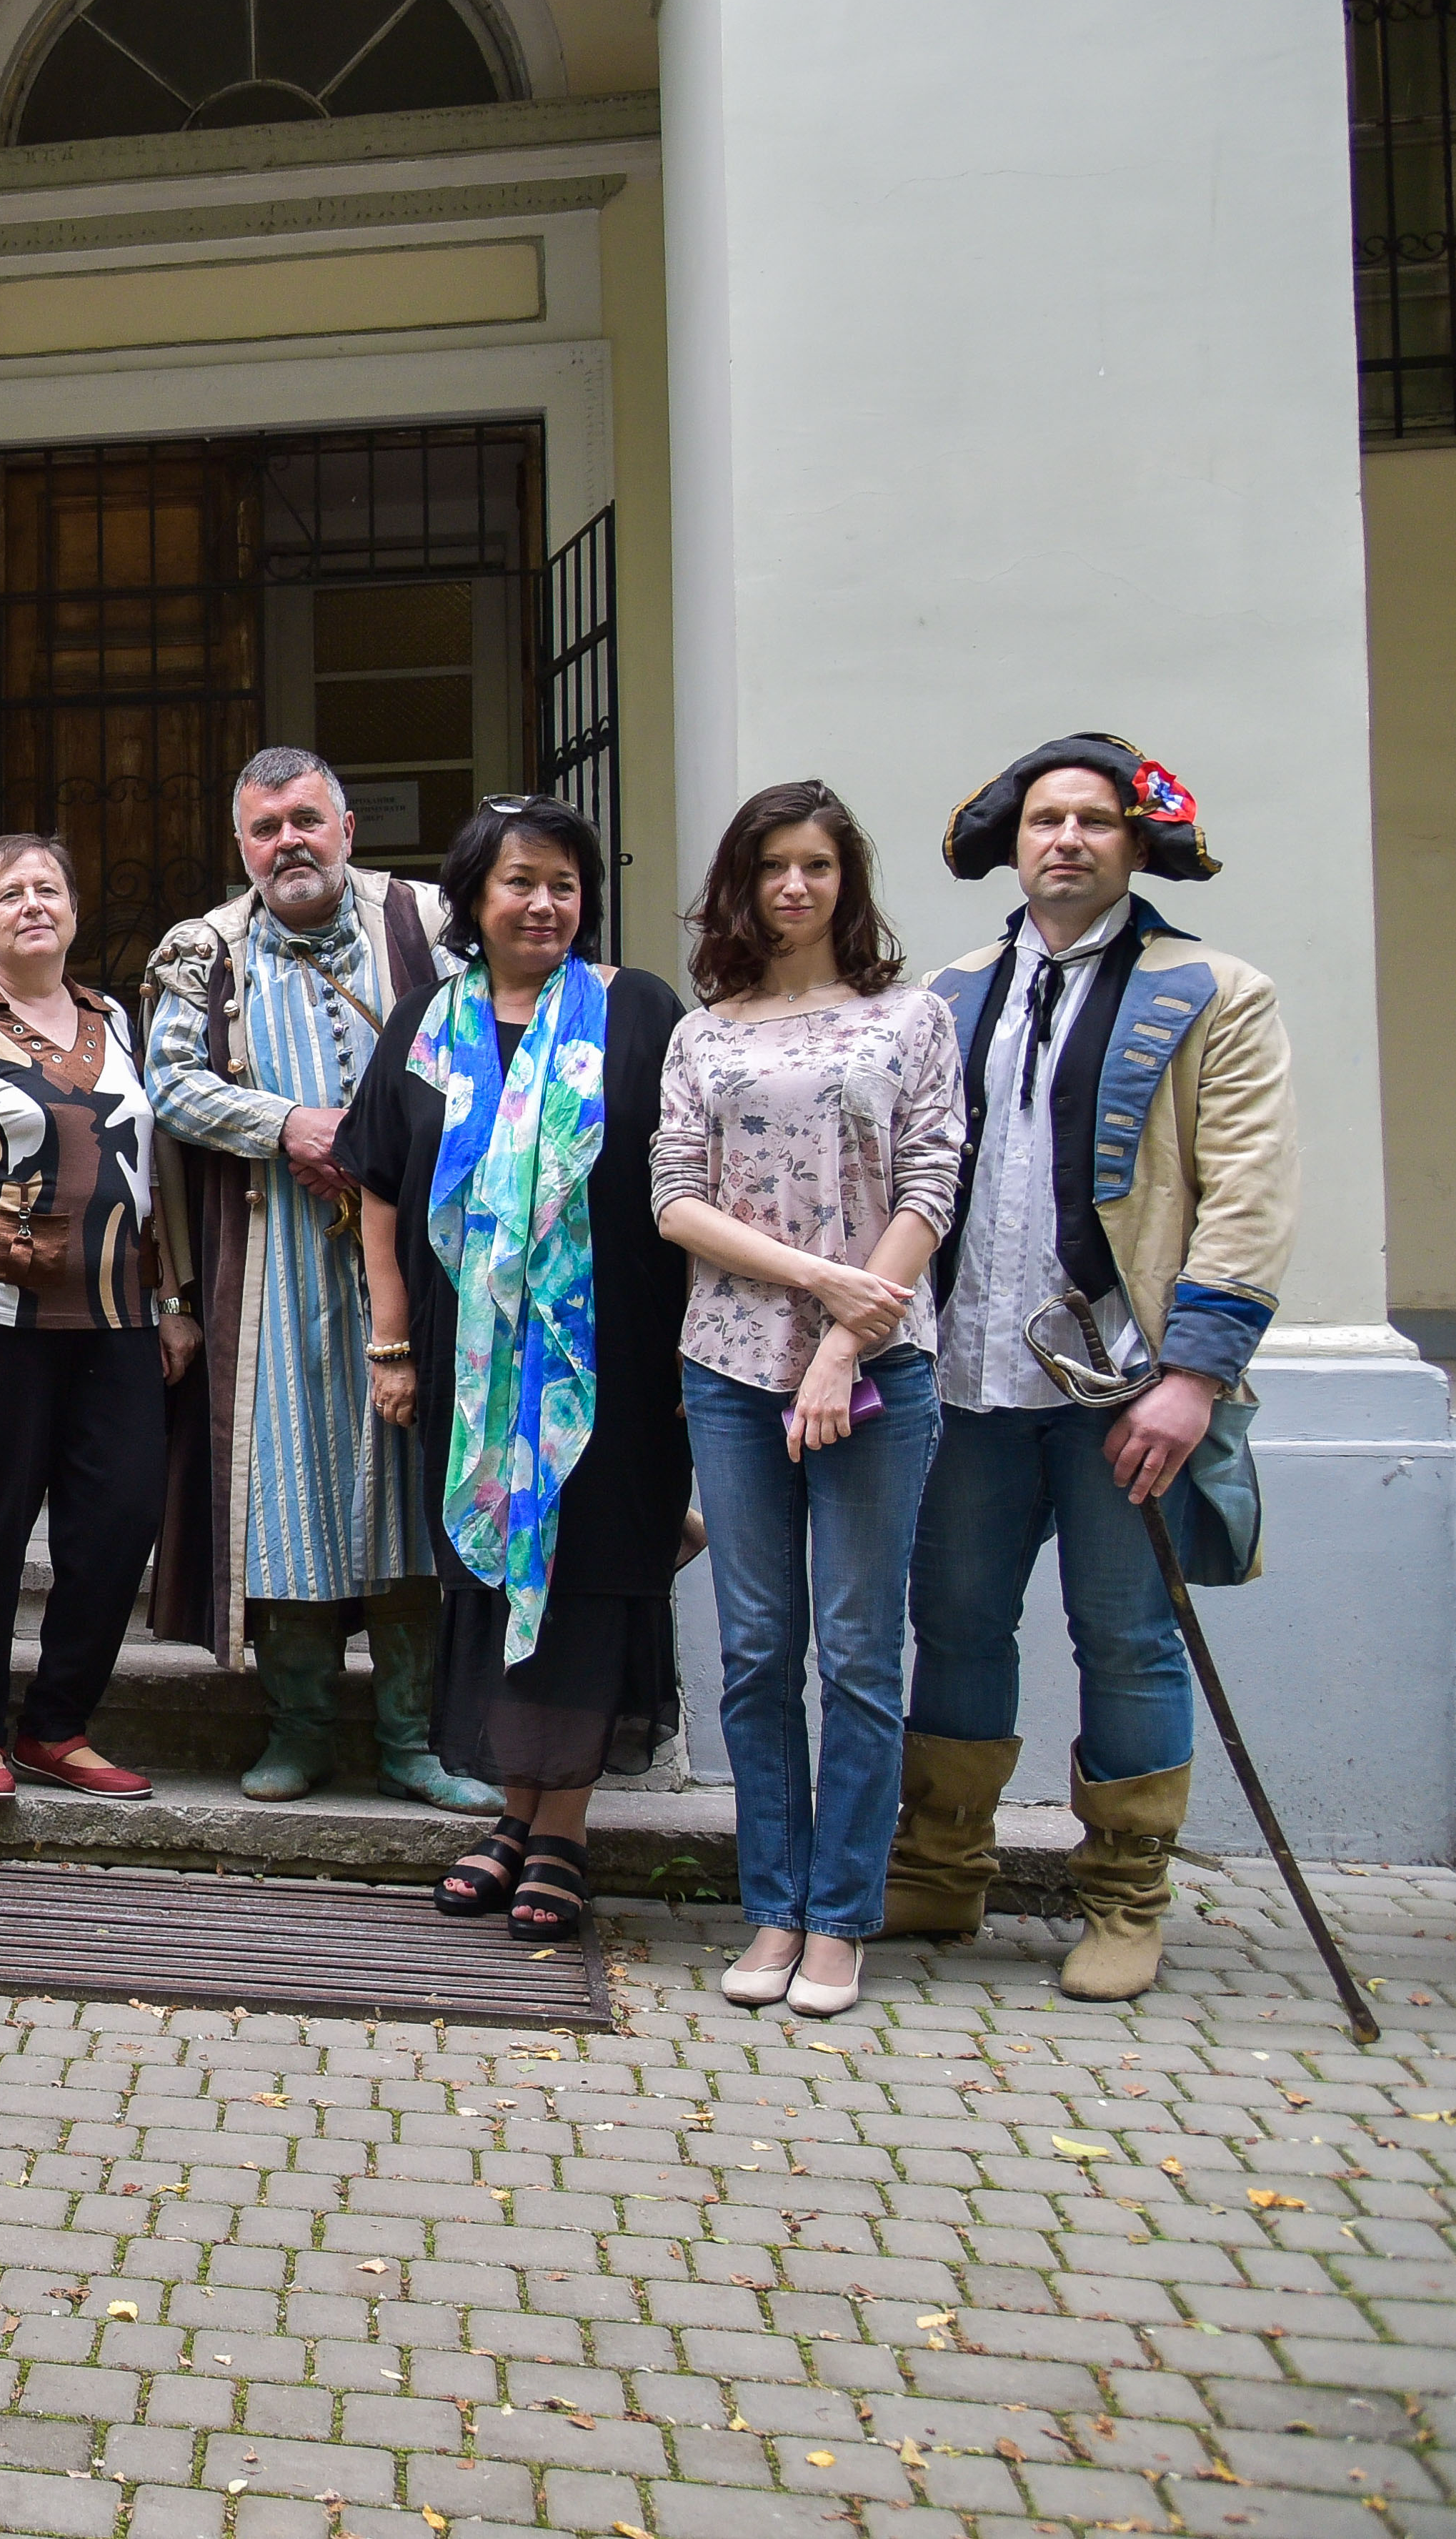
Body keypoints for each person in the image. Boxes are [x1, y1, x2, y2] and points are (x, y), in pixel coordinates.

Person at [896, 736, 1290, 2002]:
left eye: (1094, 820)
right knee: (955, 1622)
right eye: (1044, 820)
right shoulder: (949, 992)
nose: (1066, 838)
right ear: (1014, 845)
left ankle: (1124, 1895)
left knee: (1126, 1638)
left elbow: (1248, 1199)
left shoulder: (1218, 991)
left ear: (1137, 842)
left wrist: (1193, 1378)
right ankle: (942, 1865)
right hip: (967, 1381)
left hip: (1131, 1389)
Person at [343, 795, 692, 1945]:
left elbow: (691, 1176)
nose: (544, 904)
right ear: (472, 899)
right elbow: (380, 1187)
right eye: (519, 882)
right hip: (471, 1366)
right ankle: (513, 1814)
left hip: (610, 1358)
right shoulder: (425, 1024)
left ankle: (562, 1834)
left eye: (564, 884)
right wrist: (392, 1343)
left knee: (585, 1576)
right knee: (489, 1577)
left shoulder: (639, 1010)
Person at [652, 782, 961, 2022]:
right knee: (758, 1652)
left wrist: (844, 1339)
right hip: (731, 1367)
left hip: (880, 1368)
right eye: (773, 864)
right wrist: (816, 1281)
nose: (795, 884)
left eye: (818, 864)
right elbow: (676, 1198)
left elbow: (932, 1182)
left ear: (848, 881)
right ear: (742, 882)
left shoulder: (911, 1016)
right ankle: (772, 1905)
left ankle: (841, 1920)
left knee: (863, 1653)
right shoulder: (702, 1034)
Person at [146, 747, 494, 1816]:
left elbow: (497, 1042)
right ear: (242, 845)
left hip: (428, 1260)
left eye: (306, 819)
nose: (288, 842)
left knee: (411, 1497)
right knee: (285, 1499)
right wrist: (289, 1123)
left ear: (347, 825)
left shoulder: (434, 922)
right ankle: (298, 1729)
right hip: (275, 1265)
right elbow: (169, 1083)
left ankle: (413, 1740)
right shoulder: (203, 950)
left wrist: (388, 1141)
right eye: (266, 828)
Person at [0, 834, 189, 1805]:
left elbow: (150, 1170)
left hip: (119, 1318)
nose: (33, 905)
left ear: (74, 910)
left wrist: (171, 1300)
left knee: (120, 1521)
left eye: (48, 889)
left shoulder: (115, 1018)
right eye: (10, 893)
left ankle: (58, 1725)